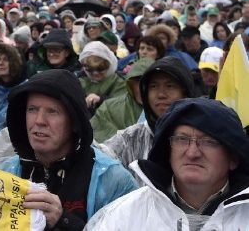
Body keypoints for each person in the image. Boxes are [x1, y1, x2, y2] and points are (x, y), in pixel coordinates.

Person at [0, 69, 137, 231]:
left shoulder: (112, 180)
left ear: (74, 121)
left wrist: (63, 221)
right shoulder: (4, 174)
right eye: (32, 109)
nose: (40, 121)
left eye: (52, 111)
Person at [85, 98, 249, 229]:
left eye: (209, 141)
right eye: (182, 139)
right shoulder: (125, 215)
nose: (192, 153)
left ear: (233, 158)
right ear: (168, 151)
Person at [100, 56, 201, 173]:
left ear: (185, 92)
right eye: (154, 86)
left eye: (170, 86)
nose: (161, 95)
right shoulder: (132, 138)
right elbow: (100, 159)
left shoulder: (202, 135)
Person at [90, 57, 154, 143]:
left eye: (151, 83)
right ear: (130, 84)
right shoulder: (109, 109)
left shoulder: (165, 110)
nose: (143, 88)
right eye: (138, 81)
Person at [77, 41, 128, 112]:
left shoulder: (119, 81)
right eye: (90, 69)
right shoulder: (80, 80)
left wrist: (100, 100)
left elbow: (121, 105)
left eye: (100, 68)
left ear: (109, 65)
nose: (95, 73)